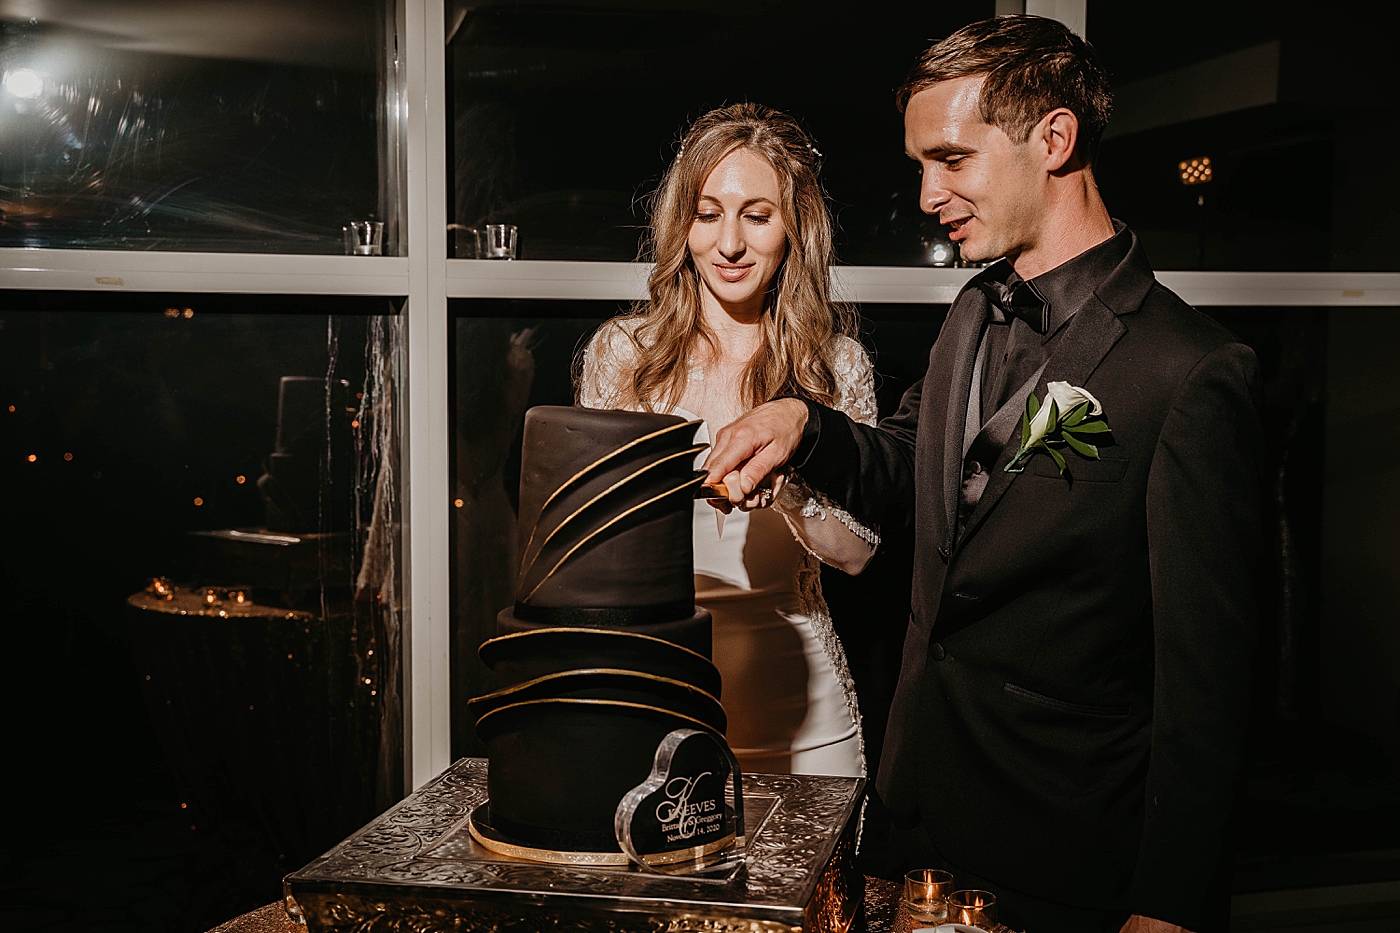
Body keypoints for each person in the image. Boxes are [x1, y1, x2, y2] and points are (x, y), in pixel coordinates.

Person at [704, 16, 1263, 933]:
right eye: (922, 164)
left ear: (1055, 138)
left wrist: (1172, 904)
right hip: (916, 823)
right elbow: (909, 467)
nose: (928, 194)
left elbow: (1212, 690)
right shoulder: (973, 312)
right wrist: (804, 424)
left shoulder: (1188, 371)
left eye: (952, 159)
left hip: (1067, 856)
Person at [577, 102, 879, 778]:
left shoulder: (836, 364)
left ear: (794, 227)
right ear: (681, 225)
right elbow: (590, 547)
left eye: (757, 216)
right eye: (707, 214)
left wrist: (792, 489)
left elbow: (858, 554)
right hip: (656, 702)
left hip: (805, 717)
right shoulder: (624, 356)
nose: (729, 244)